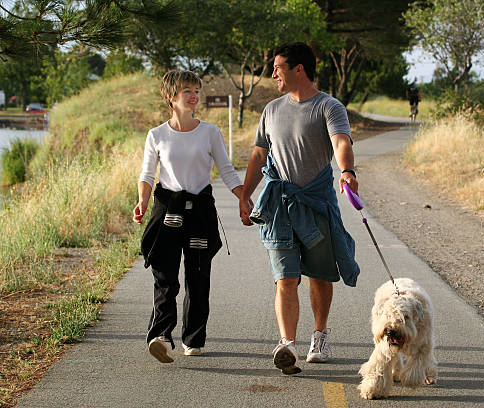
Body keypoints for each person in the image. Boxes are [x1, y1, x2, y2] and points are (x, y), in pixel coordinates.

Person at [239, 42, 360, 375]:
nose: (272, 73)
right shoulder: (272, 110)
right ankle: (288, 345)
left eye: (277, 67)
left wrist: (347, 171)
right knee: (285, 277)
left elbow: (341, 142)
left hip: (316, 202)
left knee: (320, 276)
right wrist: (245, 195)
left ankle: (319, 336)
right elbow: (258, 156)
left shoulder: (328, 106)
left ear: (299, 69)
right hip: (280, 205)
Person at [133, 70, 245, 363]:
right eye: (187, 91)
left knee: (198, 277)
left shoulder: (209, 132)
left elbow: (227, 170)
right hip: (167, 208)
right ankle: (160, 335)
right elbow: (147, 173)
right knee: (165, 277)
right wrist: (142, 201)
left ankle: (193, 338)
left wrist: (245, 200)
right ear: (171, 97)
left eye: (197, 90)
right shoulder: (157, 135)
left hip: (200, 212)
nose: (194, 96)